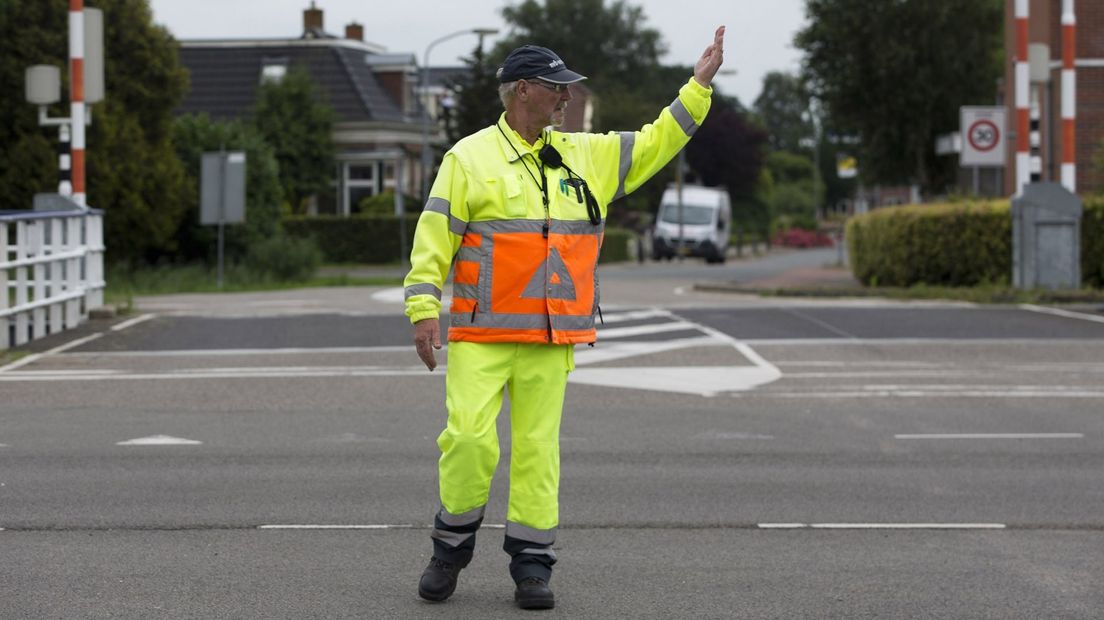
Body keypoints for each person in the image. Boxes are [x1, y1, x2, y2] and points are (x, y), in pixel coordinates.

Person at [403, 25, 726, 610]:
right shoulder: (468, 158)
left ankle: (532, 565)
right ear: (522, 90)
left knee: (536, 450)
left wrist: (698, 86)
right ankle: (449, 548)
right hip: (481, 334)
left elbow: (657, 142)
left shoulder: (585, 155)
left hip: (553, 338)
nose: (566, 97)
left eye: (567, 89)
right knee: (470, 441)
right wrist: (424, 310)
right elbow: (434, 239)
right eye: (556, 88)